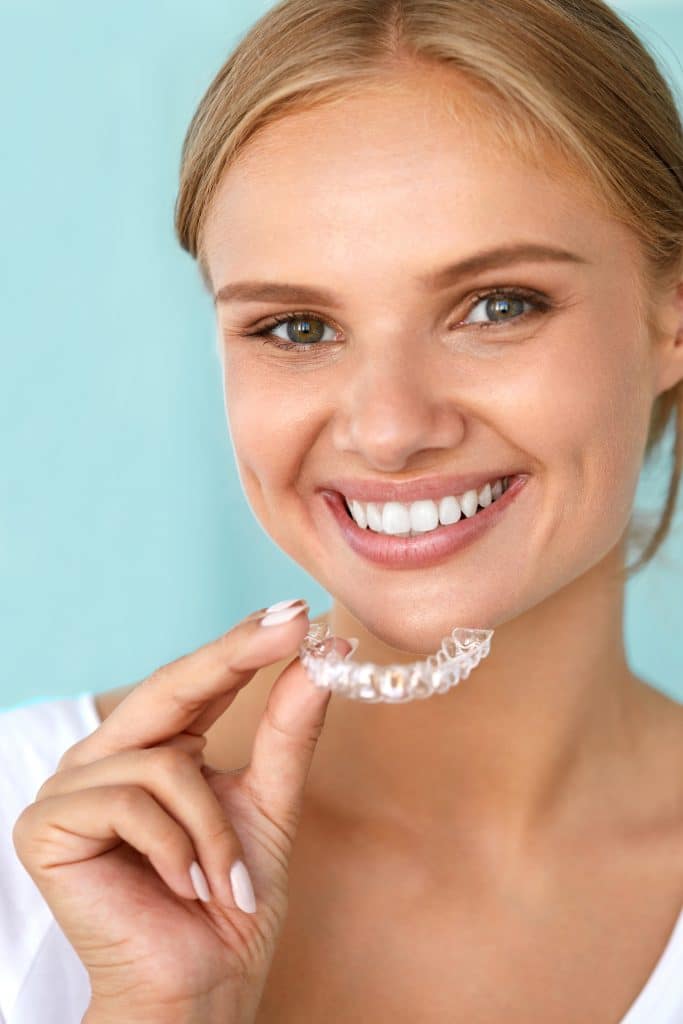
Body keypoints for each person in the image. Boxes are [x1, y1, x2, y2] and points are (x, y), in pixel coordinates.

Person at [2, 0, 683, 1021]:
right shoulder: (31, 846)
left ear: (668, 316)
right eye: (295, 325)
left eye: (496, 305)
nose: (389, 427)